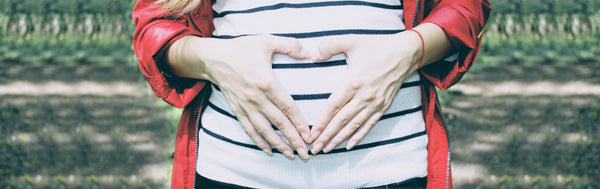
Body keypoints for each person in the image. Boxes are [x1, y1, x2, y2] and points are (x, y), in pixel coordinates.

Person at [132, 0, 491, 188]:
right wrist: (212, 59)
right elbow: (155, 23)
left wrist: (410, 49)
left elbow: (465, 7)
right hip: (230, 174)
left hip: (391, 173)